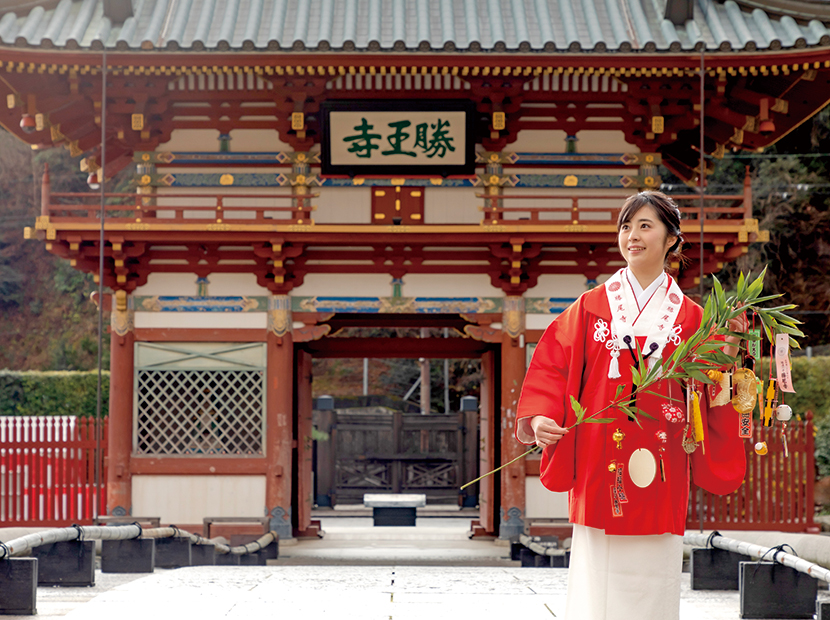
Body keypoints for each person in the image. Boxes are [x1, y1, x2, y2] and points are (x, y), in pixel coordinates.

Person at [514, 191, 748, 620]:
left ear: (672, 239)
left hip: (663, 457)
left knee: (653, 569)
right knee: (595, 573)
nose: (632, 236)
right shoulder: (590, 307)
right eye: (626, 226)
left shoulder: (694, 318)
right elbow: (553, 364)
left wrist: (729, 345)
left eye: (645, 226)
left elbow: (711, 387)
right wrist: (542, 416)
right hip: (598, 452)